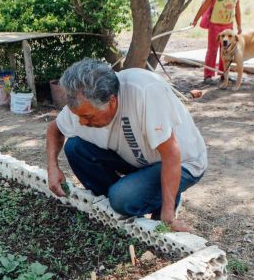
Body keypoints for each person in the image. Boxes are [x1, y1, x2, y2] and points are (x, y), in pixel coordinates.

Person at [46, 59, 207, 233]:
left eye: (89, 117)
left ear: (112, 101)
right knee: (75, 147)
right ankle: (125, 204)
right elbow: (54, 129)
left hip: (181, 163)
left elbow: (171, 154)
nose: (83, 122)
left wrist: (167, 217)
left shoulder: (145, 91)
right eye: (79, 116)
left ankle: (161, 198)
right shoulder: (83, 100)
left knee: (122, 199)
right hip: (136, 159)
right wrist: (52, 167)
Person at [191, 0, 243, 84]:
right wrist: (195, 19)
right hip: (215, 26)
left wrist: (239, 25)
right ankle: (208, 76)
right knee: (212, 50)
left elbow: (237, 11)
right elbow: (204, 6)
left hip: (229, 27)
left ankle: (224, 75)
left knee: (226, 51)